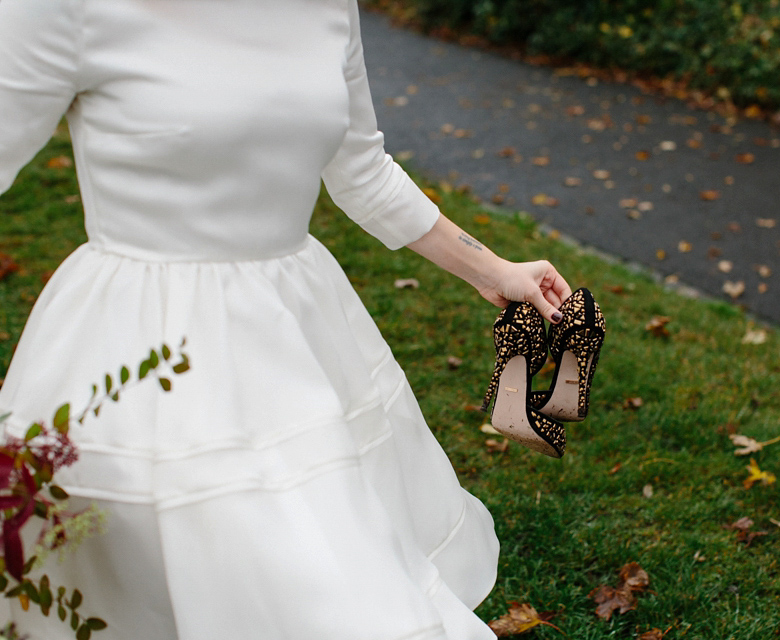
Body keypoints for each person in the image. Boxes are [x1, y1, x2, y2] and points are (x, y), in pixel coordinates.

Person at [0, 0, 571, 638]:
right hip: (140, 350)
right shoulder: (64, 8)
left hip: (294, 334)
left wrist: (493, 269)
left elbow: (364, 172)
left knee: (324, 574)